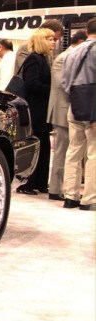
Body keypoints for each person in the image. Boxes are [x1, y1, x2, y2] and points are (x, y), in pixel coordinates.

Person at [46, 30, 87, 201]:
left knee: (69, 151)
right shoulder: (64, 57)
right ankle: (56, 189)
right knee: (62, 151)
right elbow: (65, 85)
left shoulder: (70, 56)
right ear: (80, 42)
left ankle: (64, 187)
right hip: (63, 109)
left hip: (71, 108)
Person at [61, 18, 96, 211]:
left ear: (86, 30)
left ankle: (70, 196)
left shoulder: (71, 53)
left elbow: (65, 83)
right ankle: (89, 198)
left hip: (74, 106)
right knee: (93, 153)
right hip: (92, 108)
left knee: (73, 151)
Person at [16, 28, 56, 195]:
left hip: (41, 110)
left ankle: (40, 182)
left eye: (54, 39)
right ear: (41, 41)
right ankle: (28, 183)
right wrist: (52, 90)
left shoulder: (42, 59)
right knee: (36, 146)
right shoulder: (34, 59)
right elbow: (32, 83)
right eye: (50, 39)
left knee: (45, 145)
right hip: (34, 110)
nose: (54, 42)